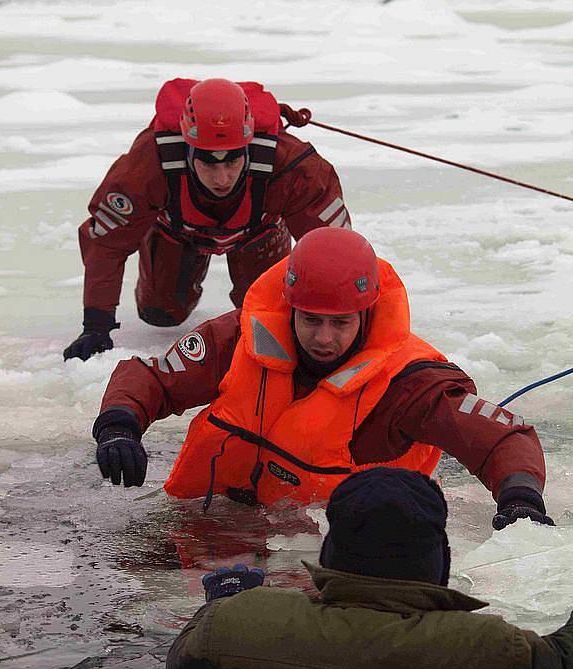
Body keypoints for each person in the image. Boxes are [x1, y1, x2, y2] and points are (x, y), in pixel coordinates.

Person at [92, 227, 550, 530]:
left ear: (367, 315)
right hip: (207, 523)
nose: (324, 338)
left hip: (327, 554)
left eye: (341, 323)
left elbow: (501, 436)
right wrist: (119, 426)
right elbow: (155, 379)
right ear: (290, 306)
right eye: (311, 320)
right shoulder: (240, 338)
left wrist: (520, 498)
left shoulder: (409, 382)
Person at [164, 467, 571, 669]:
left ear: (330, 554)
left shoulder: (232, 626)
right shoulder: (494, 650)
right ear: (439, 560)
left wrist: (225, 603)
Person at [63, 77, 350, 361]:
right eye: (208, 163)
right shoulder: (148, 163)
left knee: (267, 319)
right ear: (188, 150)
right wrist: (96, 324)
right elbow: (106, 243)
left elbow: (339, 251)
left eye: (232, 161)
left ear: (249, 147)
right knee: (160, 315)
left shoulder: (292, 167)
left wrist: (347, 317)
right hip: (176, 233)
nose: (221, 178)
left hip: (260, 232)